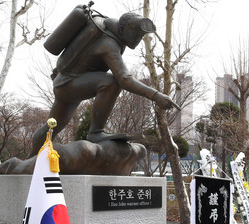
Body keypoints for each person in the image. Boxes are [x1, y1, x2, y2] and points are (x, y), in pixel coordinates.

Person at [30, 7, 178, 156]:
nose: (138, 40)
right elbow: (124, 79)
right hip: (70, 83)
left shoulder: (106, 30)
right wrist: (156, 95)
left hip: (68, 82)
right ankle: (96, 132)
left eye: (141, 37)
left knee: (52, 126)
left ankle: (31, 161)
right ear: (122, 29)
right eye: (136, 35)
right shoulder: (108, 43)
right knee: (111, 82)